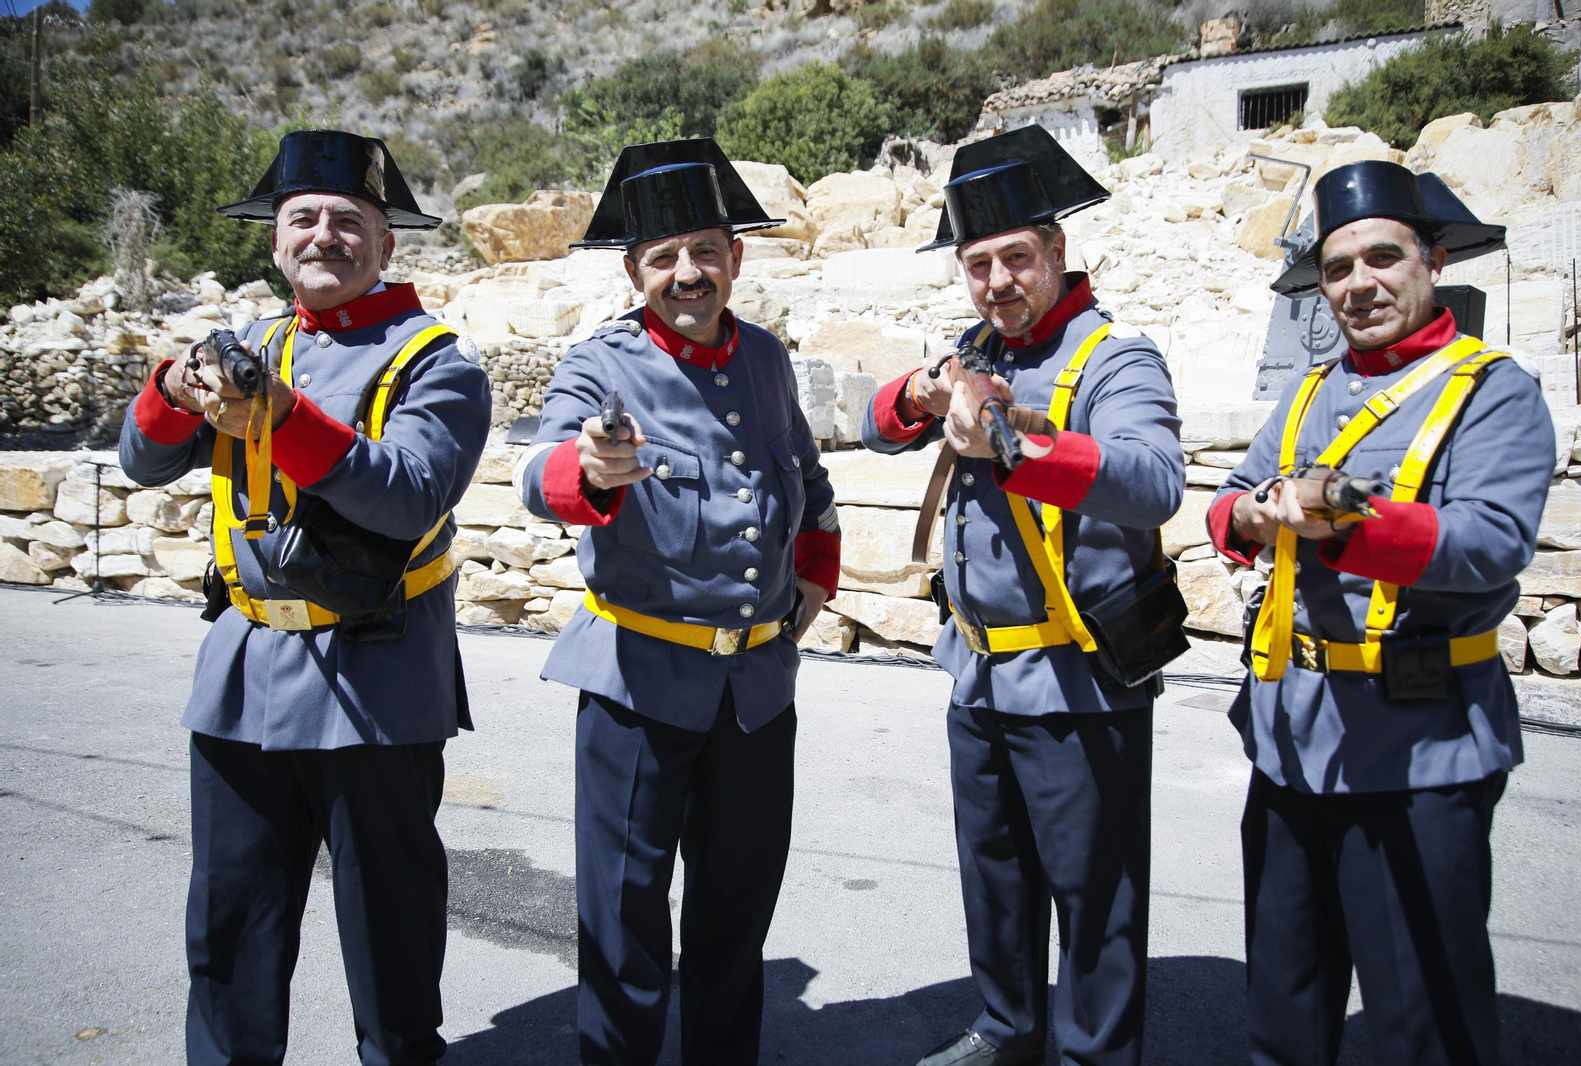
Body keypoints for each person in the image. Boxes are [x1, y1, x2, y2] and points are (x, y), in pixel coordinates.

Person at [118, 129, 491, 1066]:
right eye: (304, 219)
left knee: (391, 935)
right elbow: (142, 461)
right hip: (244, 673)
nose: (324, 236)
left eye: (348, 221)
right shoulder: (250, 344)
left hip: (378, 676)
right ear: (277, 239)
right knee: (229, 931)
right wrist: (173, 386)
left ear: (386, 242)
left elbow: (408, 496)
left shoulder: (436, 360)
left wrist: (283, 417)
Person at [1208, 160, 1553, 1066]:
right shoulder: (1312, 390)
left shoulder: (1492, 390)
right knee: (1284, 998)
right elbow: (1232, 498)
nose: (1359, 285)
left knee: (1420, 1017)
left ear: (1434, 261)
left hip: (1419, 746)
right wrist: (1250, 513)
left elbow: (1490, 540)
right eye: (1337, 269)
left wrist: (1343, 522)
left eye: (1383, 258)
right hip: (1291, 740)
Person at [861, 126, 1186, 1066]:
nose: (997, 283)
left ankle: (1094, 1053)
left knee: (1095, 898)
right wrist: (924, 393)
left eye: (1015, 259)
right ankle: (1007, 1031)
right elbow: (880, 424)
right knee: (995, 879)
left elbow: (1153, 481)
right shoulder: (971, 348)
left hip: (1080, 678)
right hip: (979, 674)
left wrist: (1012, 442)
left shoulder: (1117, 357)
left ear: (1056, 250)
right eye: (977, 266)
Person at [514, 138, 841, 1066]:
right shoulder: (599, 364)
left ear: (736, 257)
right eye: (663, 257)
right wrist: (587, 468)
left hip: (757, 695)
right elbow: (541, 473)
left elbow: (807, 478)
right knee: (623, 922)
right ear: (634, 272)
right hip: (638, 689)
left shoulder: (767, 358)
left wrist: (815, 572)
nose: (686, 273)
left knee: (736, 915)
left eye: (704, 251)